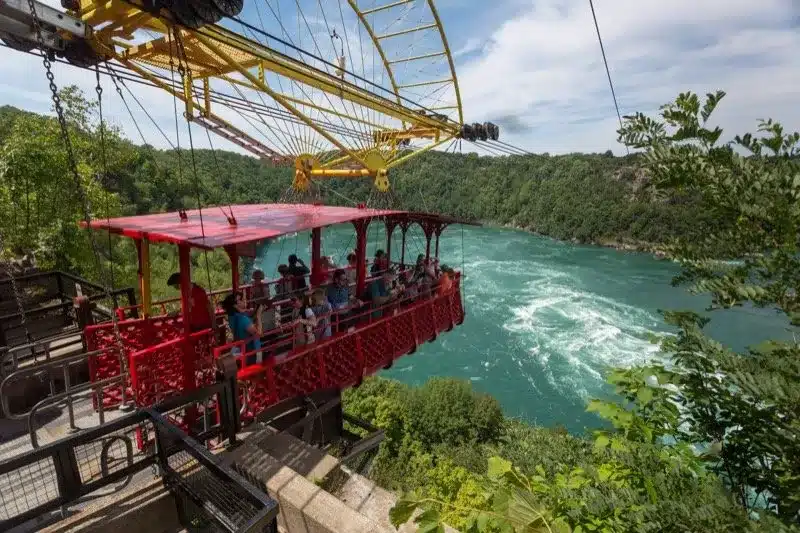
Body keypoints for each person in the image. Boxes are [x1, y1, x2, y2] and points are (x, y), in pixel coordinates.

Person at [222, 292, 263, 366]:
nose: (244, 300)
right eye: (240, 299)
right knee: (257, 370)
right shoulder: (243, 319)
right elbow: (259, 334)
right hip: (252, 351)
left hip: (240, 349)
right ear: (235, 305)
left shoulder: (232, 317)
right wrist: (258, 315)